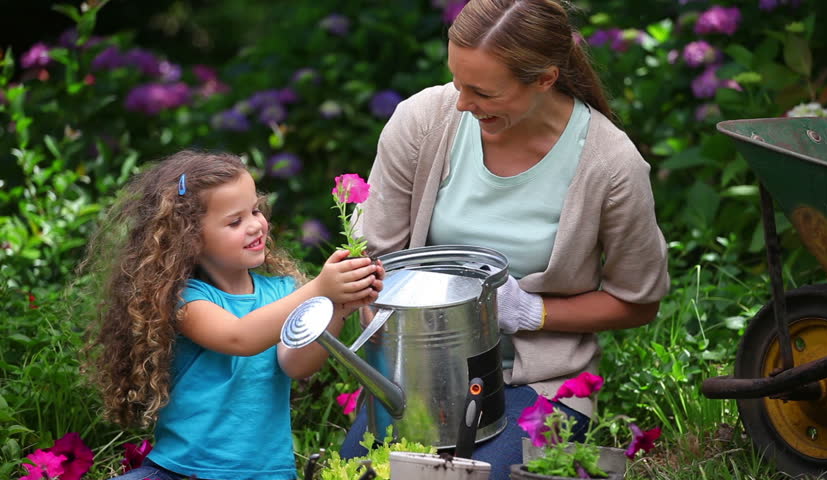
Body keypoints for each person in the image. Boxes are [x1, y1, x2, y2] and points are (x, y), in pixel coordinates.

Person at [339, 0, 669, 478]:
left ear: (545, 79)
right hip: (419, 377)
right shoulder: (423, 122)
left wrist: (533, 313)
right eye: (457, 83)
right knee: (362, 471)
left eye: (483, 92)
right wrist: (413, 371)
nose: (462, 104)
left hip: (536, 384)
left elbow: (639, 303)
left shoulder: (610, 165)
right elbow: (377, 262)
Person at [79, 150, 383, 480]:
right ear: (190, 239)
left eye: (255, 210)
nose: (255, 225)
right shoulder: (187, 300)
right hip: (183, 472)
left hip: (266, 474)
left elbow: (297, 364)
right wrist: (318, 290)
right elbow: (238, 337)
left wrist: (336, 307)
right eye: (235, 221)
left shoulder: (282, 291)